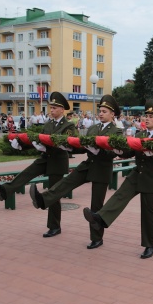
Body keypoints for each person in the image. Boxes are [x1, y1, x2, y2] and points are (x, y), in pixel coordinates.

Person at [83, 99, 153, 259]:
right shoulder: (140, 134)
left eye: (151, 116)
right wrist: (119, 150)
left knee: (148, 213)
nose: (147, 118)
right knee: (120, 195)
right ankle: (100, 217)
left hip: (152, 179)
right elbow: (130, 152)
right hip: (136, 174)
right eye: (146, 115)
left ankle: (149, 245)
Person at [30, 95, 122, 249]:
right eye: (100, 111)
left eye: (104, 111)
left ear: (112, 114)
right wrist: (70, 147)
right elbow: (82, 146)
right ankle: (43, 200)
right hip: (88, 164)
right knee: (66, 183)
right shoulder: (93, 128)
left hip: (102, 168)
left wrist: (99, 150)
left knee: (96, 206)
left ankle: (96, 238)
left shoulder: (117, 132)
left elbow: (114, 153)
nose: (100, 113)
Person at [0, 92, 77, 238]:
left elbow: (67, 142)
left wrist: (46, 146)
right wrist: (21, 146)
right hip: (45, 158)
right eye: (51, 107)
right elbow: (38, 140)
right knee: (27, 172)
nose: (52, 110)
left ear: (62, 110)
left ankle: (54, 226)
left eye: (55, 107)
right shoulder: (48, 124)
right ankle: (5, 191)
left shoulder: (68, 125)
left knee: (53, 194)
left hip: (57, 161)